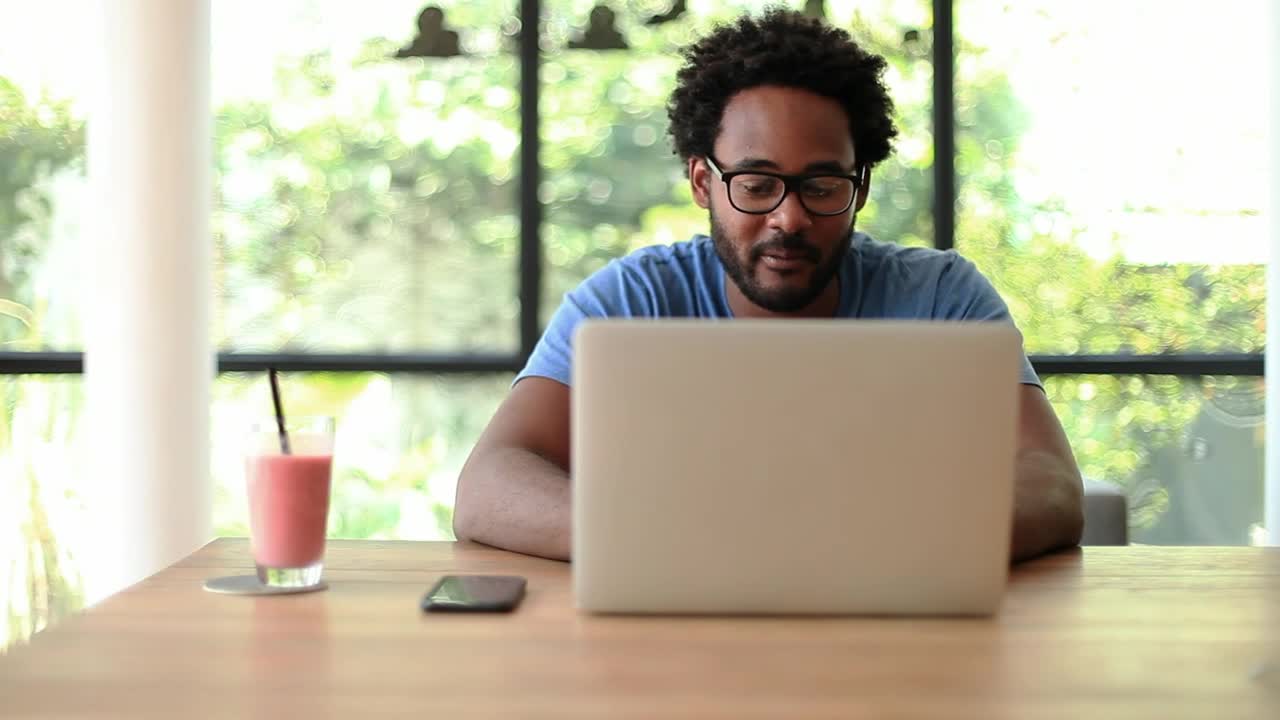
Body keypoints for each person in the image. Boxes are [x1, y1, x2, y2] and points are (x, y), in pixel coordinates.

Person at [453, 8, 1084, 563]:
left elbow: (1049, 479)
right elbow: (489, 486)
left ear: (859, 187)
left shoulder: (942, 296)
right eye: (756, 185)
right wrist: (659, 538)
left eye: (821, 186)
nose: (790, 218)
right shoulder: (628, 302)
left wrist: (882, 541)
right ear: (703, 182)